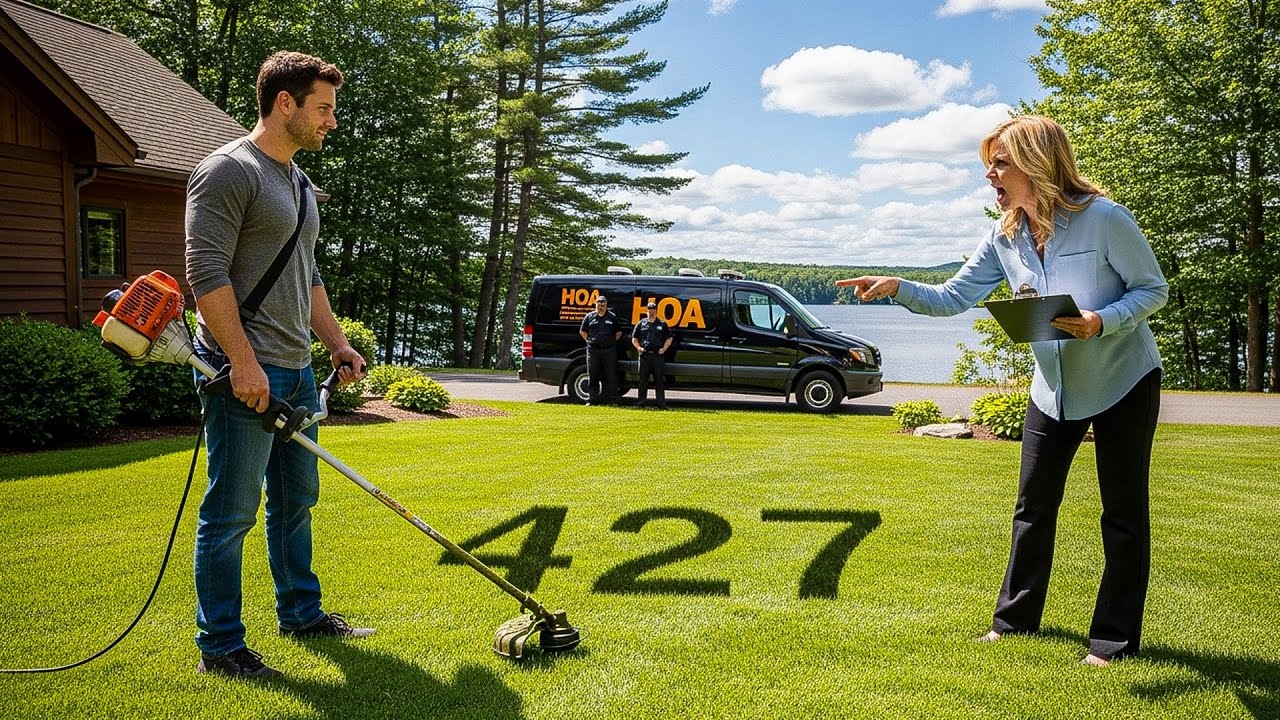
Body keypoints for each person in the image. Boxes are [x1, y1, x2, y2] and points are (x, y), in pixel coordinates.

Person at [837, 115, 1167, 667]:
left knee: (1123, 513)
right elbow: (951, 296)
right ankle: (1013, 624)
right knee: (1033, 508)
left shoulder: (1105, 219)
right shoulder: (1004, 234)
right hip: (1052, 388)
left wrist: (1101, 321)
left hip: (1123, 379)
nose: (990, 174)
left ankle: (1112, 641)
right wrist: (898, 286)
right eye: (989, 164)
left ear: (1037, 160)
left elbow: (1152, 290)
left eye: (1000, 162)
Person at [184, 51, 372, 679]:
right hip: (245, 372)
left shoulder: (297, 184)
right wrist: (241, 362)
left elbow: (307, 274)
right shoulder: (228, 171)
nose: (332, 122)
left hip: (296, 370)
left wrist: (338, 343)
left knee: (295, 501)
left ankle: (301, 613)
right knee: (231, 510)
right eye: (324, 108)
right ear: (284, 103)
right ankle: (223, 647)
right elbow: (205, 275)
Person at [578, 295, 622, 405]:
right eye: (599, 304)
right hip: (593, 350)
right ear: (595, 304)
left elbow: (618, 332)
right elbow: (583, 332)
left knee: (611, 375)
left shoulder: (612, 317)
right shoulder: (589, 317)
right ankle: (592, 400)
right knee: (593, 375)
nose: (601, 306)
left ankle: (613, 400)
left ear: (606, 305)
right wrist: (591, 341)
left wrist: (610, 342)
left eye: (603, 304)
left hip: (609, 350)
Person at [631, 300, 673, 408]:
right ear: (646, 310)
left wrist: (664, 348)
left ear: (656, 310)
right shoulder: (641, 323)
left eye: (653, 309)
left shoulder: (662, 324)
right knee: (643, 381)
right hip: (644, 356)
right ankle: (641, 403)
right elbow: (634, 338)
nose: (651, 311)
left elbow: (669, 338)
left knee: (659, 381)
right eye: (649, 309)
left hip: (657, 356)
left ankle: (661, 403)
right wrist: (638, 347)